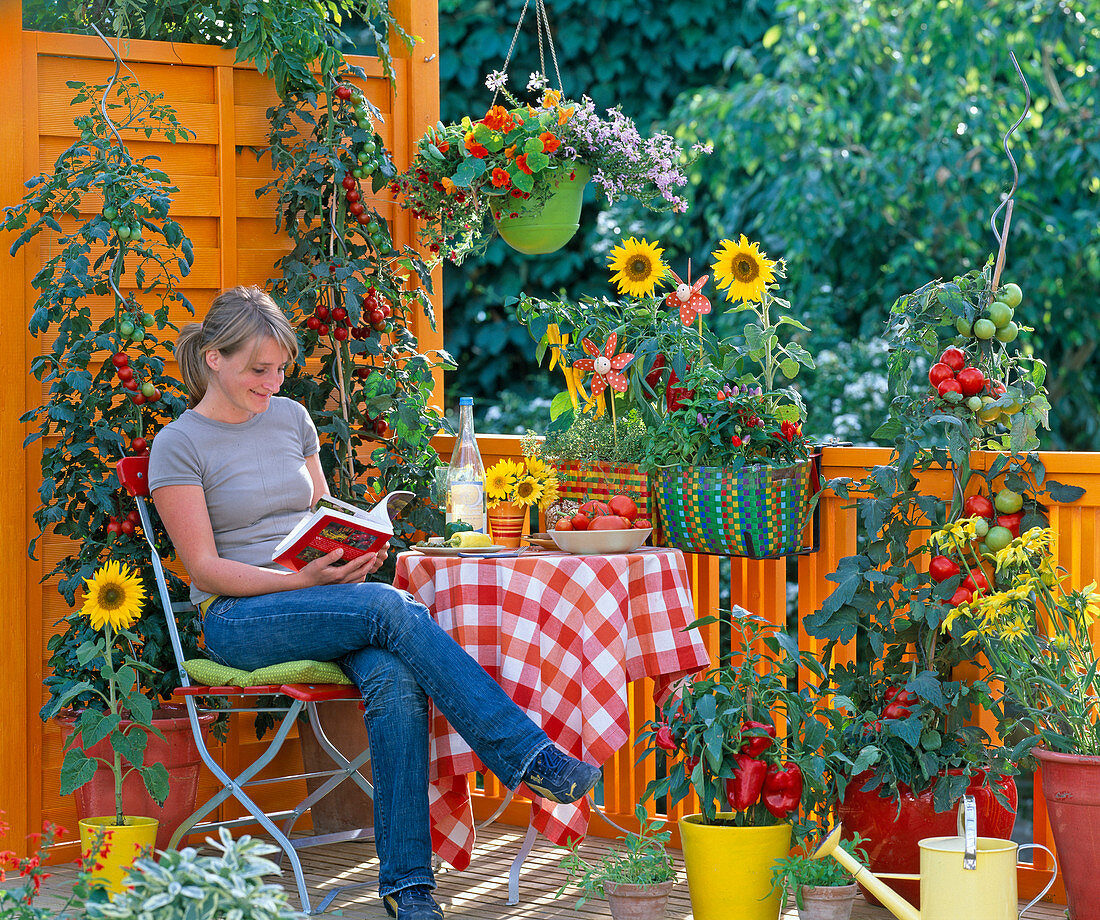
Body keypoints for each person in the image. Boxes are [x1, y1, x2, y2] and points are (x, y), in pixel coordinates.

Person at [148, 286, 600, 920]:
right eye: (259, 370)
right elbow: (205, 569)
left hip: (320, 598)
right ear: (215, 361)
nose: (274, 383)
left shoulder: (292, 420)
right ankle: (526, 754)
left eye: (280, 368)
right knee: (390, 610)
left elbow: (319, 518)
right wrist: (306, 585)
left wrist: (349, 553)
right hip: (239, 619)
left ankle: (408, 891)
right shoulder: (179, 444)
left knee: (392, 677)